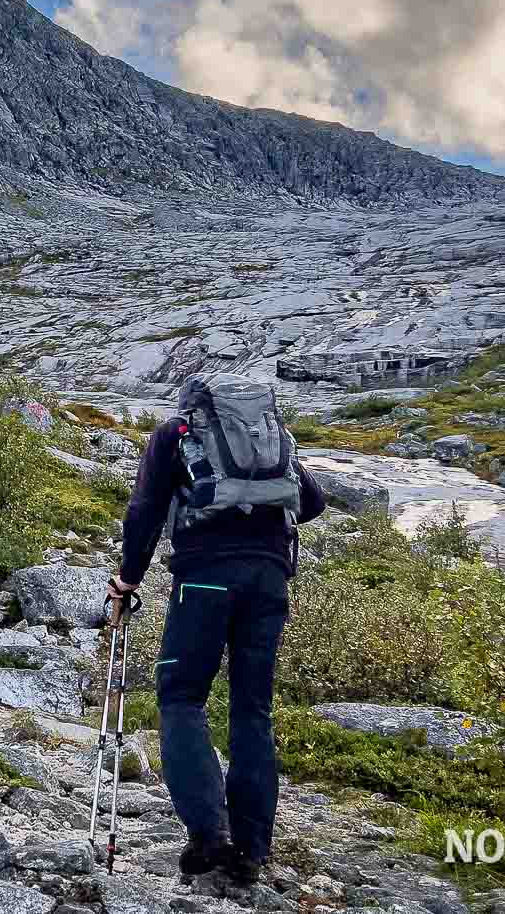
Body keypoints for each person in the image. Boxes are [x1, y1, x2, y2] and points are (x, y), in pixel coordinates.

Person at [106, 373, 325, 886]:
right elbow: (311, 504)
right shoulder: (273, 437)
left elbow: (145, 512)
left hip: (203, 579)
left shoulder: (175, 435)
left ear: (192, 405)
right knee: (253, 709)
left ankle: (209, 834)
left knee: (182, 698)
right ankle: (251, 850)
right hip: (269, 580)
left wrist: (128, 579)